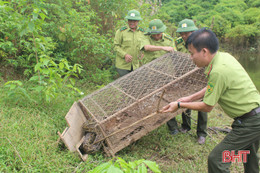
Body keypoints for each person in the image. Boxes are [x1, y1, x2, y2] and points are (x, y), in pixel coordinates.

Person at [161, 28, 260, 173]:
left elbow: (207, 106)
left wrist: (179, 105)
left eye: (192, 53)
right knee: (248, 157)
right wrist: (190, 97)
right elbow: (213, 87)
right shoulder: (223, 58)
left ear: (204, 51)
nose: (191, 57)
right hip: (254, 116)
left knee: (217, 159)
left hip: (250, 122)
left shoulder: (219, 70)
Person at [167, 19, 208, 145]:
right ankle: (186, 125)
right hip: (184, 77)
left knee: (202, 105)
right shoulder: (178, 43)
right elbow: (175, 58)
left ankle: (201, 133)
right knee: (185, 101)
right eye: (182, 34)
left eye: (187, 33)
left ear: (194, 32)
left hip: (200, 77)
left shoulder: (203, 42)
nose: (184, 36)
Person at [114, 9, 145, 77]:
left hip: (135, 65)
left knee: (134, 84)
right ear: (127, 21)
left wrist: (142, 53)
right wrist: (125, 55)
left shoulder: (142, 32)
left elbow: (144, 46)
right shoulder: (121, 32)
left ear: (138, 21)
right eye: (130, 20)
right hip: (123, 65)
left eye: (134, 21)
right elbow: (116, 46)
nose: (132, 22)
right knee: (125, 85)